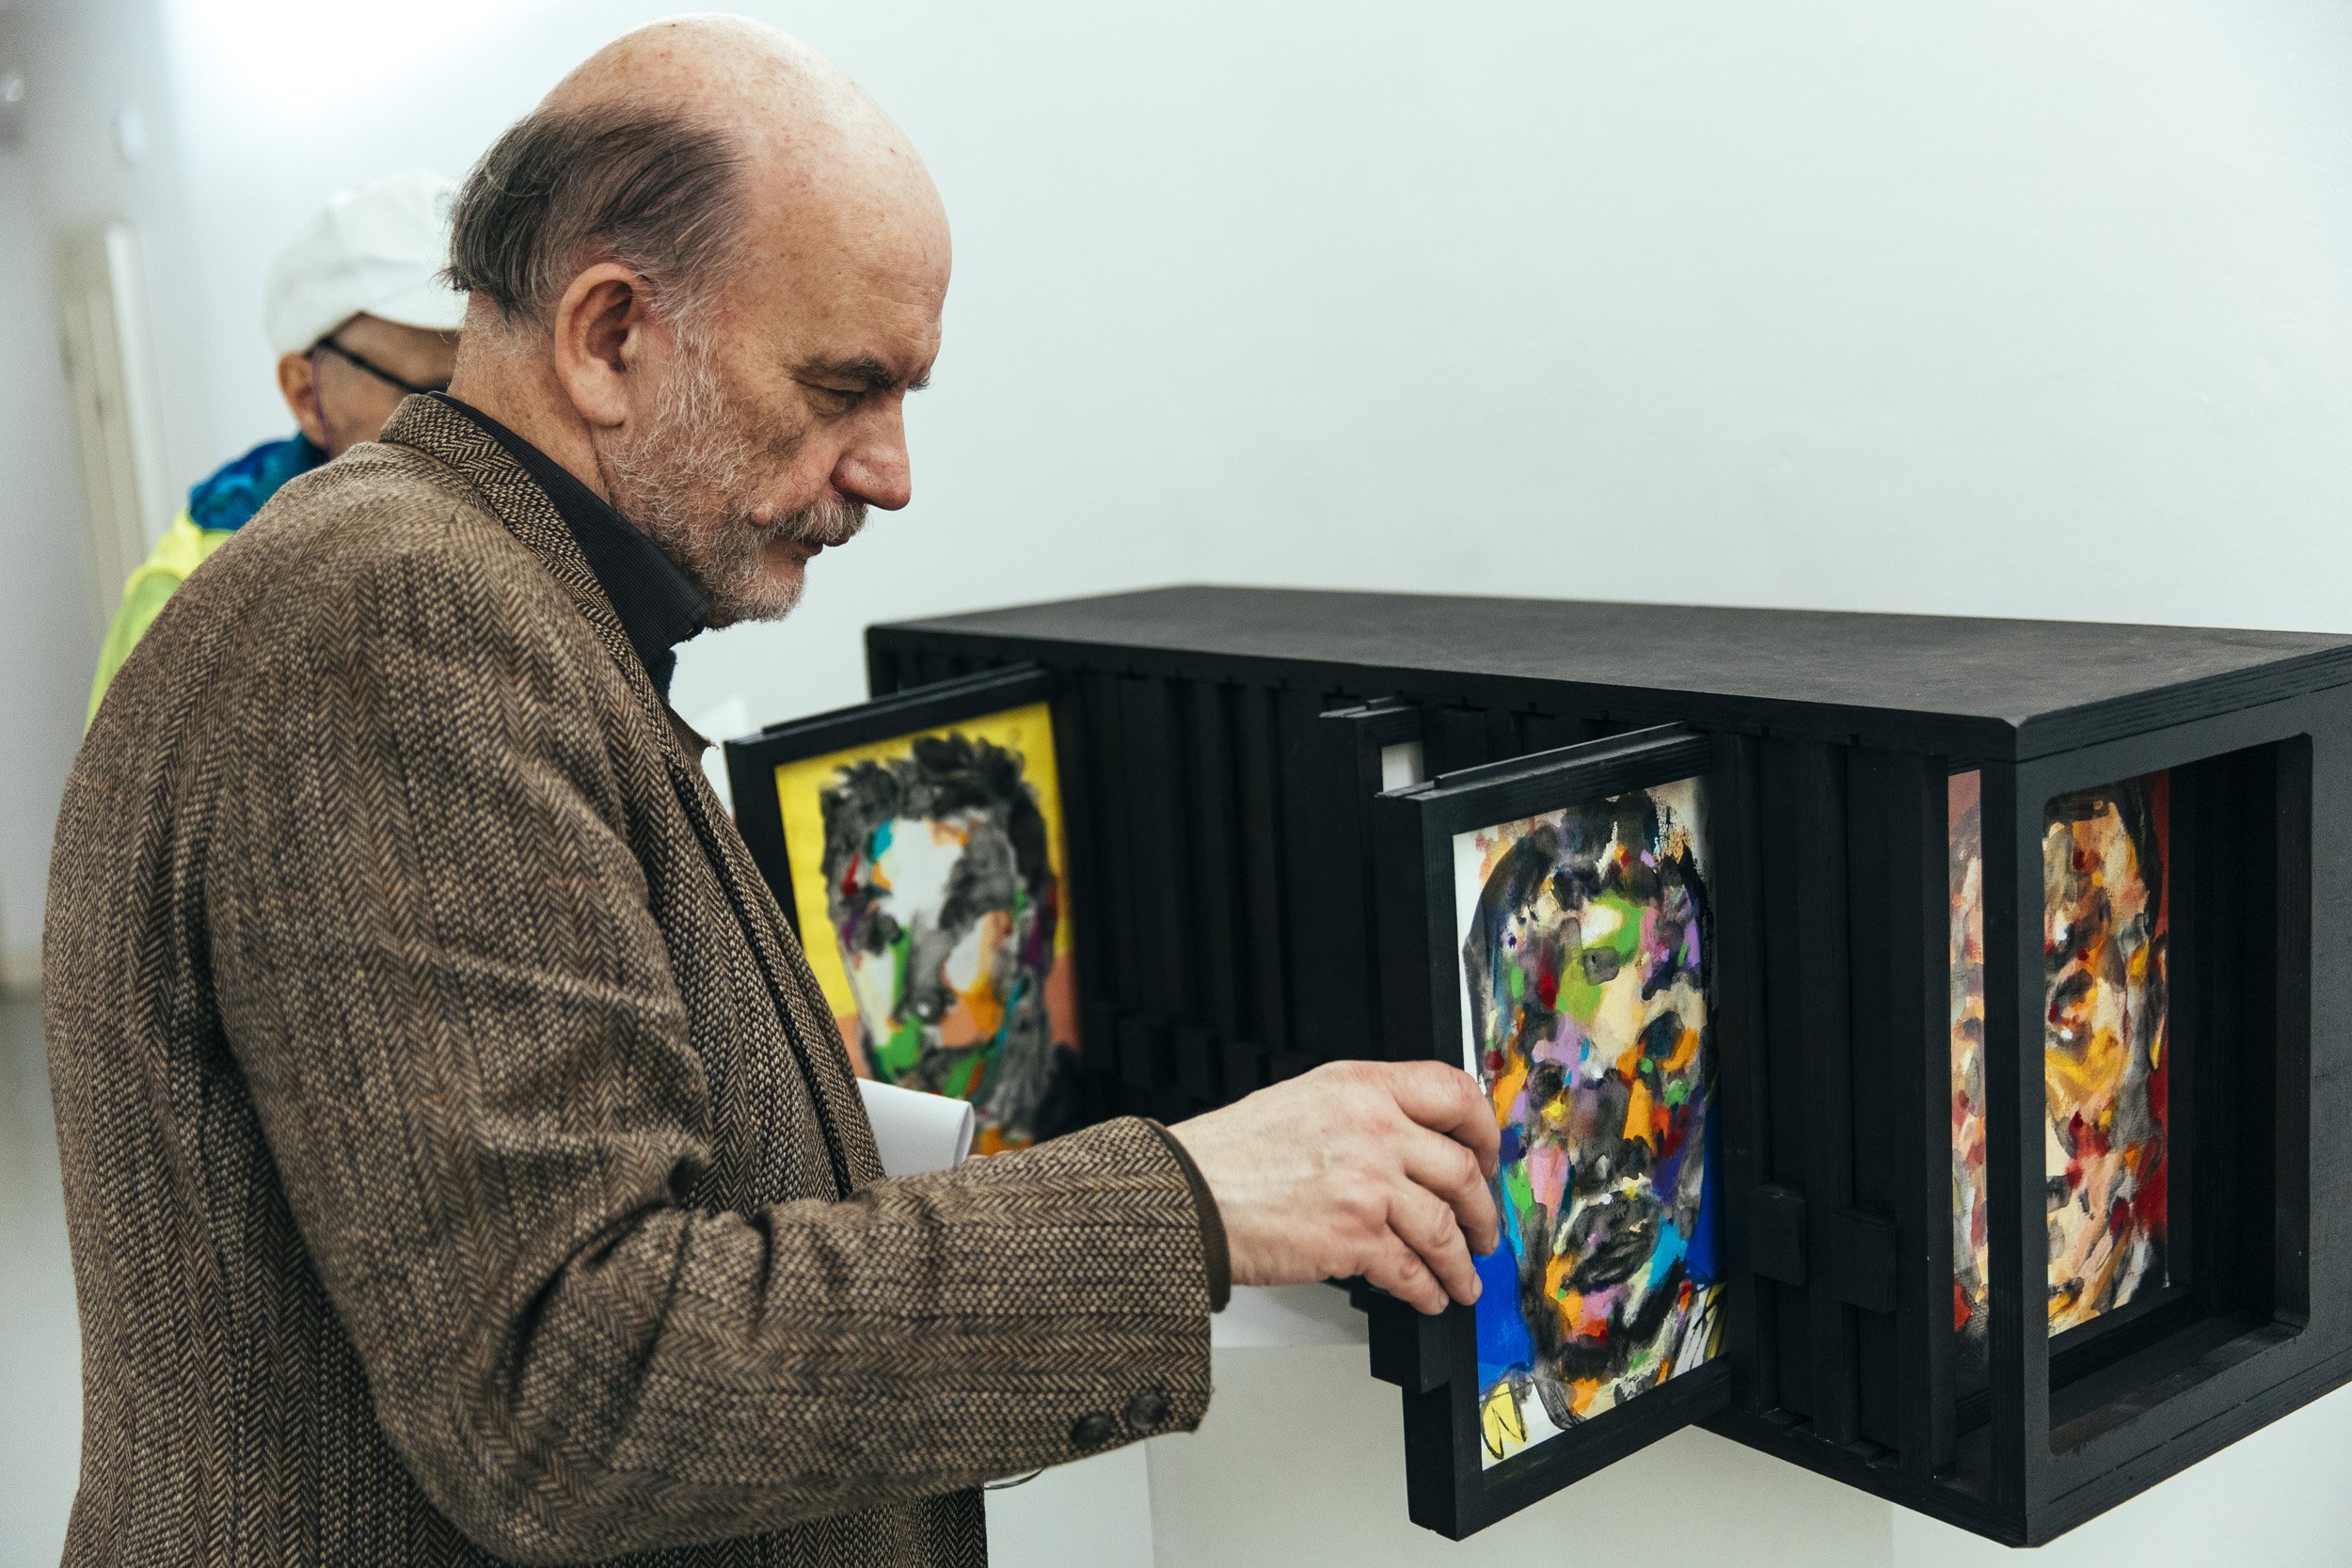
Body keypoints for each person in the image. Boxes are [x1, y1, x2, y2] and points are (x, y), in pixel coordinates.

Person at [44, 16, 1501, 1568]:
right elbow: (581, 1387)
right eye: (843, 386)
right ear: (611, 338)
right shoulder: (398, 620)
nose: (890, 471)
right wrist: (1193, 1202)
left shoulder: (507, 595)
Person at [83, 168, 464, 725]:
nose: (471, 429)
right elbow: (116, 805)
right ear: (307, 394)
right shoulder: (187, 595)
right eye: (432, 392)